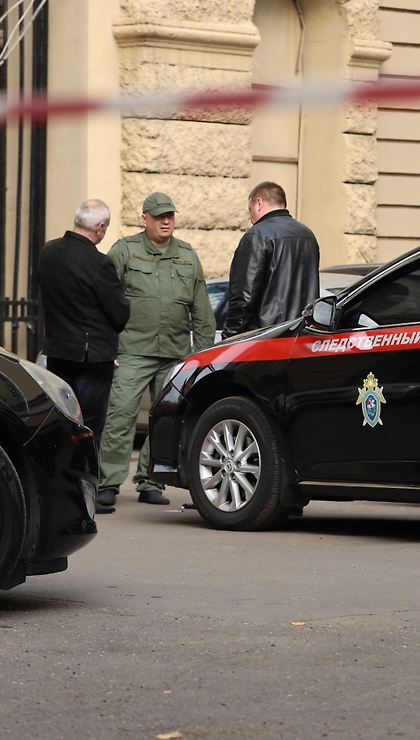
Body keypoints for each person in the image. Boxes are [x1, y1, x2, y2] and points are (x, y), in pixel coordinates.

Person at [96, 192, 217, 511]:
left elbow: (202, 310)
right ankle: (108, 483)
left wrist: (201, 356)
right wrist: (107, 345)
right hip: (132, 350)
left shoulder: (187, 255)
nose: (165, 221)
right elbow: (103, 300)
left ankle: (151, 481)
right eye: (159, 216)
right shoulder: (124, 251)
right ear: (144, 219)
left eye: (170, 216)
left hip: (175, 354)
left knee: (166, 420)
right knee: (121, 415)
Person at [37, 198, 130, 455]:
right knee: (88, 428)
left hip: (57, 351)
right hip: (92, 357)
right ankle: (84, 477)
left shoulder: (48, 252)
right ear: (100, 227)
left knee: (60, 422)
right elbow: (120, 313)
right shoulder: (98, 262)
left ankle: (58, 475)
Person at [224, 181, 320, 337]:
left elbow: (244, 297)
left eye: (250, 210)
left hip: (267, 337)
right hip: (303, 335)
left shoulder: (257, 235)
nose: (250, 218)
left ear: (259, 203)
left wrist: (230, 338)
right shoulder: (308, 235)